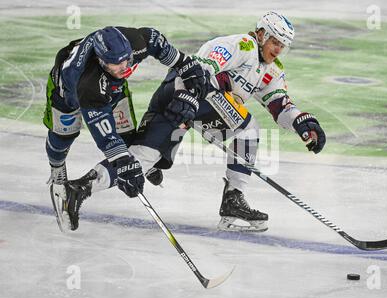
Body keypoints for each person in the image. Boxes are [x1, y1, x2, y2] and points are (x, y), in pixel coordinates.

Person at [66, 11, 326, 232]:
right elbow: (199, 66)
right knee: (248, 130)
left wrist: (302, 122)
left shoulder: (273, 70)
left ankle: (80, 188)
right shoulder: (242, 45)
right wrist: (187, 97)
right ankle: (234, 197)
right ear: (260, 34)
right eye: (274, 41)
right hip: (182, 93)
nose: (278, 48)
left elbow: (279, 104)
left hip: (194, 105)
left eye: (283, 44)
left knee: (146, 157)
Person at [44, 26, 209, 231]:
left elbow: (174, 56)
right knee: (63, 137)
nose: (124, 67)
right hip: (67, 94)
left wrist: (188, 68)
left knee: (129, 138)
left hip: (112, 89)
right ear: (101, 62)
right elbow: (107, 137)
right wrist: (123, 164)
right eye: (116, 64)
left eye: (127, 60)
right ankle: (57, 171)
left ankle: (141, 161)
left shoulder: (139, 41)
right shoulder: (88, 85)